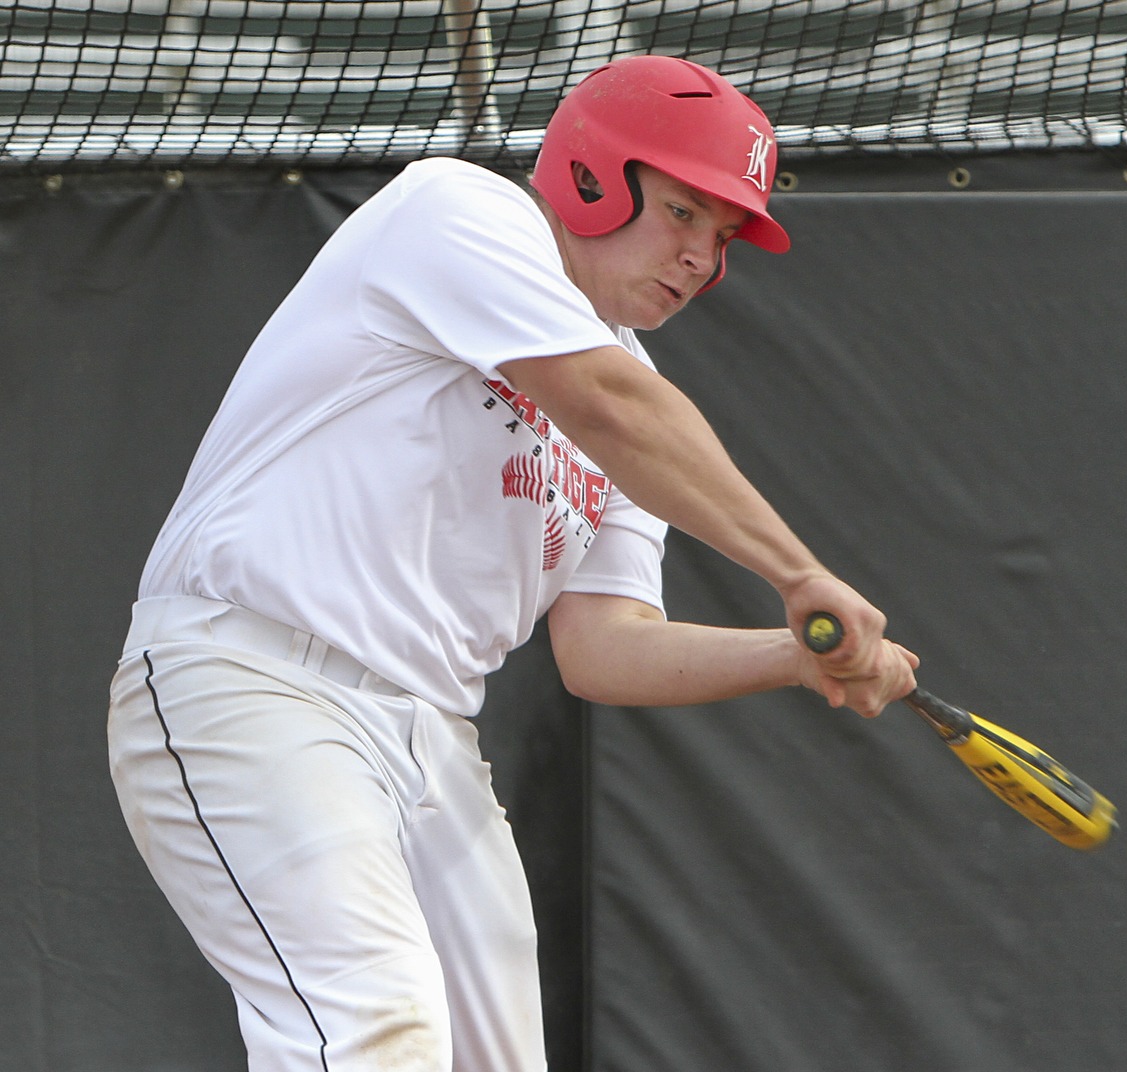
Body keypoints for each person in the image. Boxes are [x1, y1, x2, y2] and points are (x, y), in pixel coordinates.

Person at [107, 54, 918, 1072]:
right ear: (591, 174)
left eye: (721, 238)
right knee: (370, 1030)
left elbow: (605, 648)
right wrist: (798, 574)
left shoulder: (633, 402)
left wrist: (793, 656)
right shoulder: (458, 210)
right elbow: (607, 405)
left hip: (429, 740)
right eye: (683, 212)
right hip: (255, 679)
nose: (699, 257)